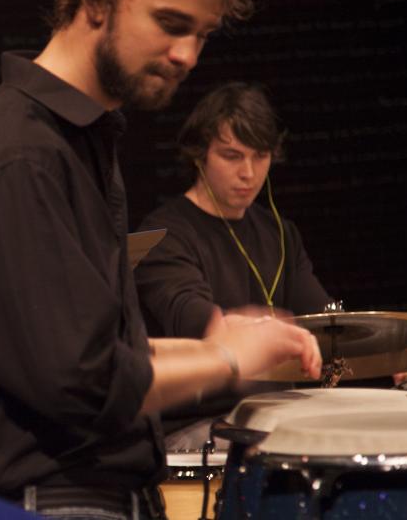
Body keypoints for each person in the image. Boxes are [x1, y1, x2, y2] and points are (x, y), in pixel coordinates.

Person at [0, 0, 322, 518]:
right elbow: (84, 387)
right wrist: (227, 359)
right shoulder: (20, 156)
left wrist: (226, 344)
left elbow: (102, 355)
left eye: (202, 34)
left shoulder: (76, 141)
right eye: (170, 24)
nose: (188, 55)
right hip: (46, 503)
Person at [134, 82, 332, 447]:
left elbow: (324, 319)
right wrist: (235, 330)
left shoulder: (280, 232)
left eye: (260, 156)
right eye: (232, 156)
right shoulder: (161, 234)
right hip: (195, 426)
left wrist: (382, 345)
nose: (249, 173)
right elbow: (188, 314)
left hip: (271, 415)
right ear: (199, 154)